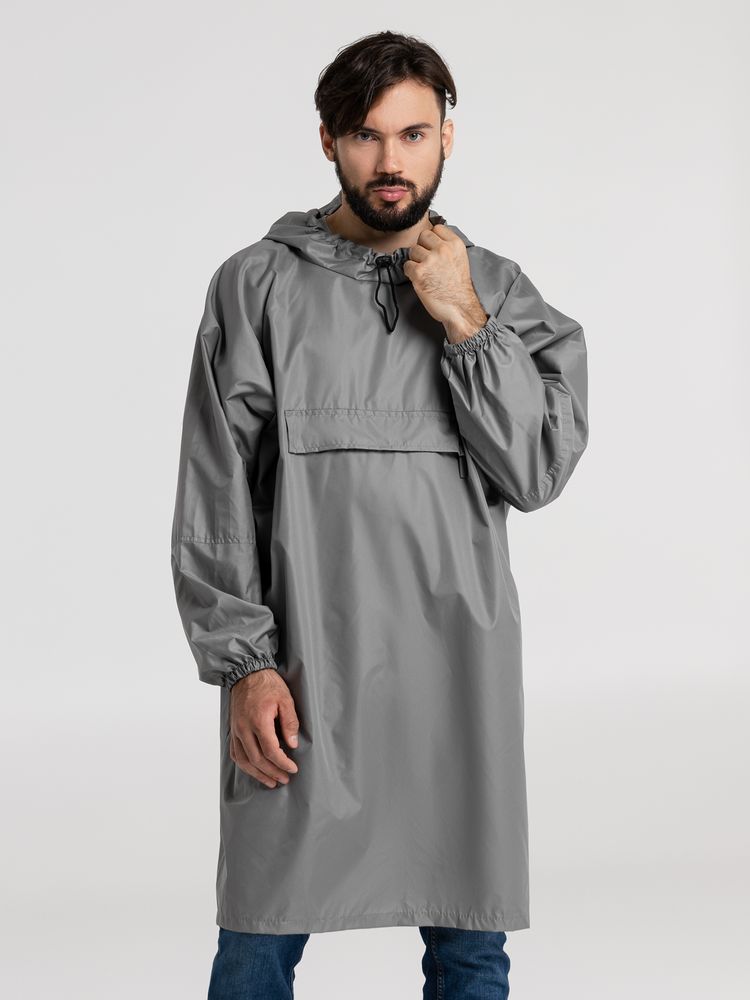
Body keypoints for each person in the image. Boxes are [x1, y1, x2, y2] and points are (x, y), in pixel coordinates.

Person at [170, 29, 589, 1000]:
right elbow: (215, 487)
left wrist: (464, 320)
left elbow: (535, 468)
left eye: (413, 134)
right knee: (257, 940)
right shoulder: (257, 284)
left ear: (448, 137)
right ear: (328, 140)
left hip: (458, 674)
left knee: (470, 947)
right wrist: (244, 663)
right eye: (366, 135)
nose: (391, 161)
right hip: (305, 671)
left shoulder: (497, 288)